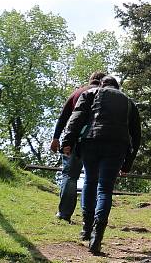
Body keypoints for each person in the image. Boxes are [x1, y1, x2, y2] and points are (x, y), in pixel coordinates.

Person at [61, 75, 141, 254]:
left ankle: (86, 228)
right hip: (117, 146)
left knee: (90, 182)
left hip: (91, 141)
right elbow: (136, 136)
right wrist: (128, 163)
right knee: (105, 189)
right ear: (117, 88)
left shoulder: (90, 94)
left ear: (102, 84)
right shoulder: (129, 103)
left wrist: (67, 141)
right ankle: (97, 236)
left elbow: (77, 117)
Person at [50, 71, 105, 222]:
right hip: (97, 141)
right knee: (92, 178)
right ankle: (89, 216)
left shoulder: (77, 93)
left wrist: (56, 138)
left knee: (70, 175)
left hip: (74, 141)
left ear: (90, 79)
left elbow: (64, 117)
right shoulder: (106, 95)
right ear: (102, 81)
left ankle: (64, 213)